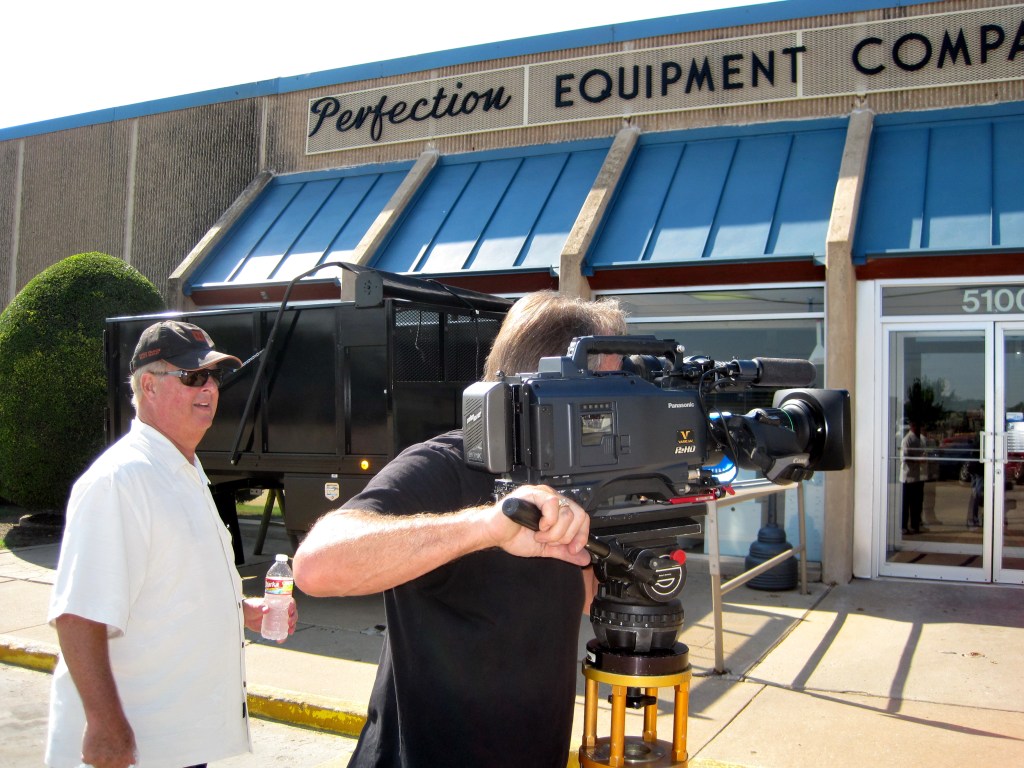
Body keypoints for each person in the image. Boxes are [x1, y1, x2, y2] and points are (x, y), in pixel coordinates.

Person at [293, 291, 628, 768]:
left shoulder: (581, 479)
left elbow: (579, 600)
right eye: (607, 387)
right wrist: (489, 525)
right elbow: (317, 565)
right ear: (545, 383)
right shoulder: (443, 464)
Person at [45, 320, 297, 768]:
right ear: (149, 385)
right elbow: (78, 616)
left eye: (213, 375)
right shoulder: (121, 480)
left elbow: (178, 585)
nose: (210, 388)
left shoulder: (183, 469)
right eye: (192, 376)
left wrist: (244, 611)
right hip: (135, 747)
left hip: (177, 743)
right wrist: (105, 725)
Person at [900, 421, 928, 535]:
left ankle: (915, 525)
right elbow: (905, 458)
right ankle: (903, 526)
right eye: (917, 426)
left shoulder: (919, 439)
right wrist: (918, 460)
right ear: (912, 426)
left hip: (917, 476)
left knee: (916, 503)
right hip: (908, 477)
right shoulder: (907, 440)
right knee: (906, 504)